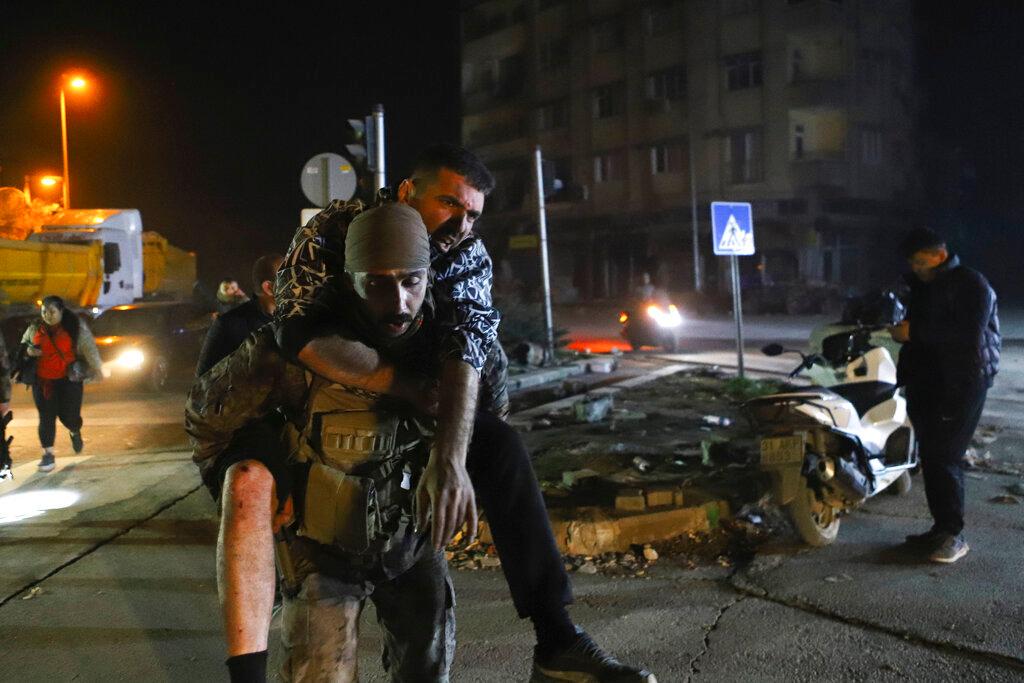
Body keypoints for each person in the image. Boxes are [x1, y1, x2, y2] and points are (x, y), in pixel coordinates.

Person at [273, 145, 653, 681]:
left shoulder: (465, 253)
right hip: (340, 400)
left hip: (428, 391)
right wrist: (399, 385)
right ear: (408, 191)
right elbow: (296, 332)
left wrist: (450, 459)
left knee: (500, 447)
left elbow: (469, 344)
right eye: (449, 203)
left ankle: (556, 637)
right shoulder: (335, 231)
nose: (460, 222)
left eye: (473, 213)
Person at [188, 205, 456, 681]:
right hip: (320, 551)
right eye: (376, 283)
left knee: (427, 669)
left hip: (413, 544)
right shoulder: (291, 346)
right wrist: (260, 465)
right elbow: (206, 420)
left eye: (411, 281)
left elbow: (493, 419)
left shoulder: (452, 343)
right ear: (348, 281)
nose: (398, 302)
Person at [890, 228, 1000, 564]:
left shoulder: (971, 283)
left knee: (946, 455)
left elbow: (968, 336)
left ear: (940, 254)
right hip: (928, 381)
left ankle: (954, 535)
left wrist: (913, 332)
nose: (917, 267)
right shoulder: (923, 286)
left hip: (962, 382)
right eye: (912, 261)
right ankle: (940, 529)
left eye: (921, 260)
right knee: (933, 458)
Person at [20, 296, 102, 472]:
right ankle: (47, 455)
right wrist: (29, 351)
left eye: (52, 312)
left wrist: (97, 368)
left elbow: (89, 348)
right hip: (44, 382)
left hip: (68, 380)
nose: (48, 315)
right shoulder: (35, 327)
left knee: (69, 416)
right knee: (46, 416)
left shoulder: (74, 327)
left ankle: (74, 430)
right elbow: (23, 345)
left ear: (61, 311)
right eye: (44, 312)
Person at [197, 254, 283, 375]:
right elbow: (203, 385)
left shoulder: (301, 321)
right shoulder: (228, 326)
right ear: (268, 288)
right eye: (291, 279)